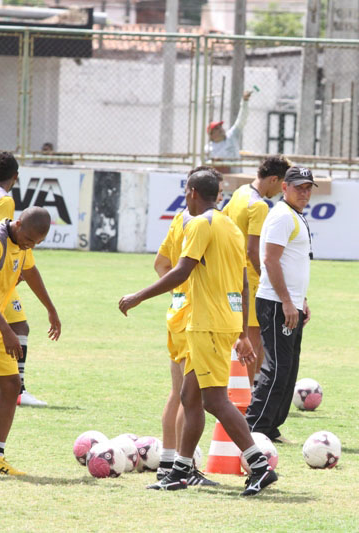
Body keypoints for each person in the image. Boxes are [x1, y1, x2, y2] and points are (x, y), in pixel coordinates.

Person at [119, 170, 276, 496]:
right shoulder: (230, 226)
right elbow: (244, 282)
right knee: (190, 397)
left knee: (215, 401)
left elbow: (181, 270)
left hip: (207, 323)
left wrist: (138, 296)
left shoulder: (200, 224)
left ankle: (259, 466)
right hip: (220, 321)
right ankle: (179, 472)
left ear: (191, 192)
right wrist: (241, 331)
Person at [152, 166, 223, 487]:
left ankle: (168, 463)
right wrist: (188, 292)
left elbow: (160, 264)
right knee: (190, 397)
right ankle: (183, 468)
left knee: (177, 392)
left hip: (178, 313)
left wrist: (177, 294)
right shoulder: (201, 223)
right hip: (197, 317)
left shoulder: (180, 220)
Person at [0, 207, 61, 475]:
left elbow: (31, 272)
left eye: (36, 243)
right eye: (29, 240)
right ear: (18, 224)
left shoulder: (23, 243)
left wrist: (51, 309)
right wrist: (7, 331)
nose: (30, 246)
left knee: (11, 385)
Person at [245, 166, 315, 444]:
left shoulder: (294, 215)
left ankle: (271, 427)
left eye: (308, 188)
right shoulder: (282, 216)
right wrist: (287, 301)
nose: (304, 193)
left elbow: (294, 263)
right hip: (276, 302)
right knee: (276, 368)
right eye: (299, 187)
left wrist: (300, 300)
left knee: (288, 368)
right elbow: (270, 260)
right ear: (284, 187)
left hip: (289, 302)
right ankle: (254, 427)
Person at [0, 152, 47, 407]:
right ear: (15, 177)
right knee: (18, 327)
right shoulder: (4, 200)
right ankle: (19, 389)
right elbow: (7, 239)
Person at [222, 156, 290, 390]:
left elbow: (224, 224)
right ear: (273, 179)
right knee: (251, 340)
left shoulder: (240, 192)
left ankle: (250, 388)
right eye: (282, 184)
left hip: (232, 275)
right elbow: (253, 250)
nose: (281, 190)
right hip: (250, 281)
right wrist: (266, 278)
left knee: (246, 338)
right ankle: (247, 394)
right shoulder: (259, 206)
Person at [207, 90, 253, 174]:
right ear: (211, 135)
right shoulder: (208, 149)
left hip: (237, 175)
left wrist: (245, 101)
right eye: (217, 128)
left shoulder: (232, 135)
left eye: (220, 126)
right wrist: (215, 162)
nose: (221, 129)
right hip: (218, 179)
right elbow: (203, 165)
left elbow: (241, 119)